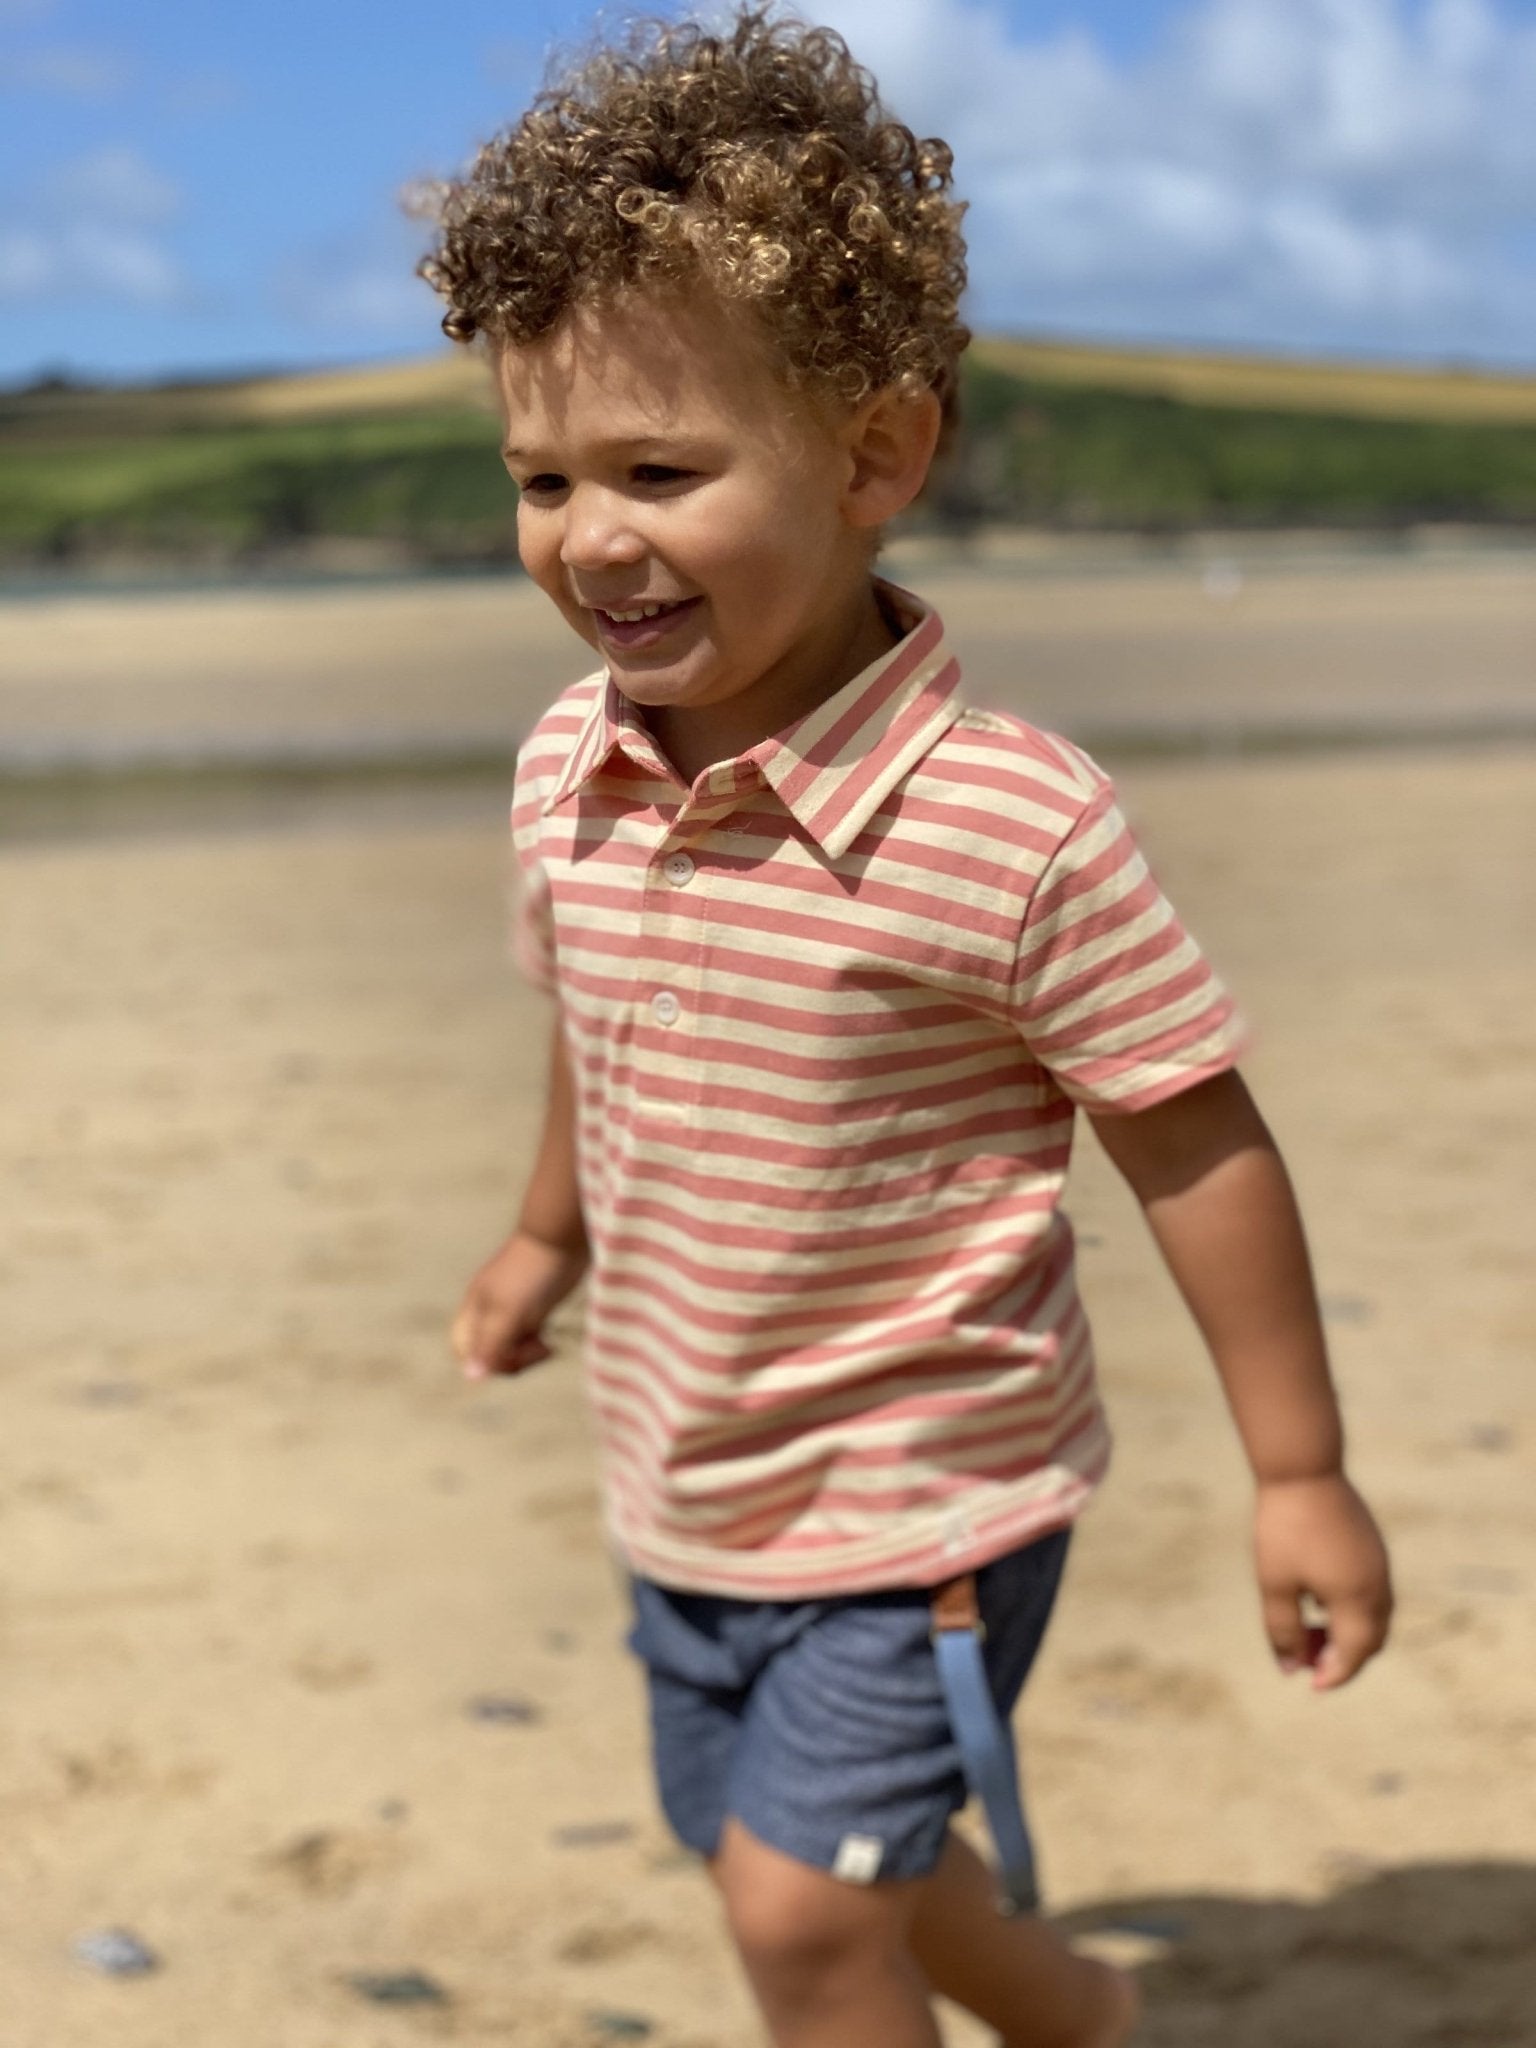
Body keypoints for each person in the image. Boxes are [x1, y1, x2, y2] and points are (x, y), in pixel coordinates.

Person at [419, 11, 1394, 2045]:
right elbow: (595, 1024)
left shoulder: (1007, 824)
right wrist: (546, 1235)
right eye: (542, 477)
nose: (592, 536)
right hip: (682, 1465)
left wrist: (1295, 1467)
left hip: (921, 1491)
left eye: (660, 471)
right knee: (790, 1853)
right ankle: (1097, 2021)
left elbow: (1192, 1134)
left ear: (875, 452)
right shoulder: (562, 771)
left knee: (797, 1917)